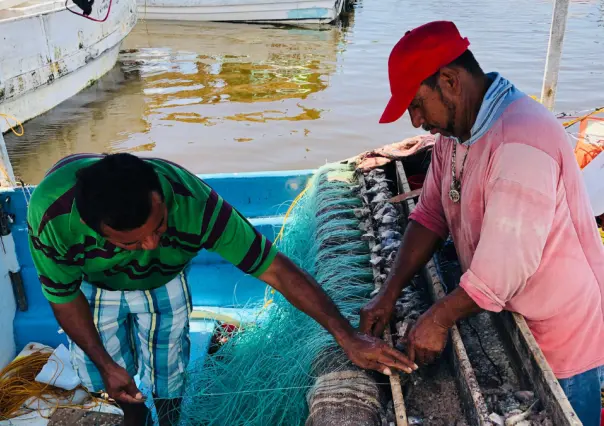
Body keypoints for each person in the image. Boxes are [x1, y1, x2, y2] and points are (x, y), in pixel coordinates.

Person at [27, 153, 416, 426]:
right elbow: (63, 297)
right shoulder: (53, 217)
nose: (149, 247)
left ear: (161, 197)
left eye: (159, 228)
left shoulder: (193, 201)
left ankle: (170, 417)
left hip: (164, 279)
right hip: (94, 285)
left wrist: (347, 336)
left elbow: (277, 271)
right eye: (131, 242)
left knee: (169, 371)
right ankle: (133, 415)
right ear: (95, 229)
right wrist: (107, 365)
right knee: (108, 370)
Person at [359, 21, 604, 425]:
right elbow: (431, 216)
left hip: (561, 335)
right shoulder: (456, 134)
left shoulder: (521, 142)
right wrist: (389, 292)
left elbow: (502, 269)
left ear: (450, 81)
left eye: (417, 104)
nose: (416, 121)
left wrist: (437, 318)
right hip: (510, 308)